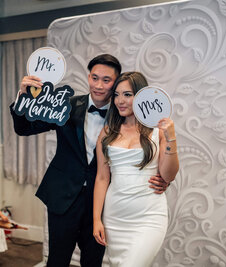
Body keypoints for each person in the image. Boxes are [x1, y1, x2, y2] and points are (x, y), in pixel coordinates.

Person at [10, 54, 170, 267]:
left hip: (103, 204)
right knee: (57, 261)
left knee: (93, 263)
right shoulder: (64, 105)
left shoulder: (124, 112)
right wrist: (23, 97)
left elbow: (145, 152)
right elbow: (24, 128)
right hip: (63, 196)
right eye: (95, 78)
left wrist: (162, 179)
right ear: (88, 77)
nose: (99, 85)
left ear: (115, 83)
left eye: (106, 80)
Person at [93, 71, 179, 266]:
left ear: (141, 97)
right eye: (116, 94)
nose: (119, 101)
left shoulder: (158, 131)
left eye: (127, 95)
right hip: (114, 217)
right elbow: (102, 178)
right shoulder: (108, 131)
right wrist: (96, 219)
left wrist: (171, 137)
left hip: (148, 217)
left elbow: (168, 175)